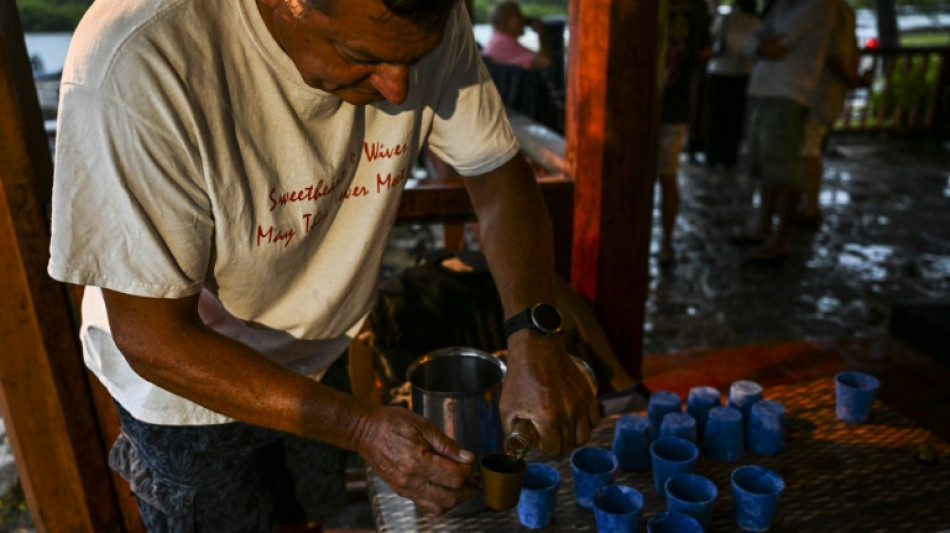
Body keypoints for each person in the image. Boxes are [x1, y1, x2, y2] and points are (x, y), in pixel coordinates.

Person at [46, 0, 599, 529]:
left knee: (310, 514)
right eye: (362, 56)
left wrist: (534, 336)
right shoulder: (139, 58)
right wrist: (360, 426)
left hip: (324, 350)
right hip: (186, 387)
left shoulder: (419, 17)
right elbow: (152, 336)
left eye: (413, 60)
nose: (398, 88)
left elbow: (500, 180)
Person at [741, 0, 836, 261]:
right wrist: (759, 45)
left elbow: (778, 42)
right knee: (763, 166)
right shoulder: (782, 5)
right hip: (763, 88)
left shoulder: (817, 5)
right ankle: (763, 227)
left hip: (788, 92)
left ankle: (780, 238)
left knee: (784, 171)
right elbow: (756, 41)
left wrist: (759, 45)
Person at [800, 0, 869, 223]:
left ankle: (809, 205)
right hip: (825, 90)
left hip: (817, 90)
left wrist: (850, 80)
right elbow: (851, 52)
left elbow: (835, 55)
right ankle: (806, 202)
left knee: (808, 146)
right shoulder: (843, 11)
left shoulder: (828, 9)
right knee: (811, 144)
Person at [657, 0, 712, 264]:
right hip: (675, 107)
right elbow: (704, 53)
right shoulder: (697, 9)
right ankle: (666, 244)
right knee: (668, 177)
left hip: (638, 110)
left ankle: (662, 243)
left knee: (642, 182)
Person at [704, 0, 760, 169]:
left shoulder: (726, 18)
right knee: (734, 119)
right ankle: (729, 157)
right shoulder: (756, 23)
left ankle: (713, 155)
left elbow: (714, 36)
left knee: (716, 116)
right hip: (743, 72)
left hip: (720, 70)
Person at [482, 1, 551, 70]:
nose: (523, 19)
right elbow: (544, 62)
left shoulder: (496, 41)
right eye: (518, 16)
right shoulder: (503, 44)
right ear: (504, 22)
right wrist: (542, 34)